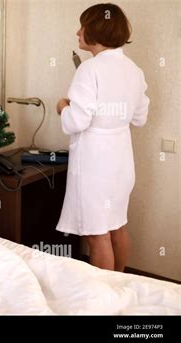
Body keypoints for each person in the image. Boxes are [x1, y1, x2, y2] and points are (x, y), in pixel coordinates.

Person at [55, 3, 149, 272]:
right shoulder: (134, 70)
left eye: (82, 26)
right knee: (117, 225)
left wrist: (62, 106)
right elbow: (140, 118)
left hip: (95, 163)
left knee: (98, 234)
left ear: (95, 29)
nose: (77, 32)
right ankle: (119, 288)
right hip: (121, 160)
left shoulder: (89, 69)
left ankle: (104, 302)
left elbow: (77, 121)